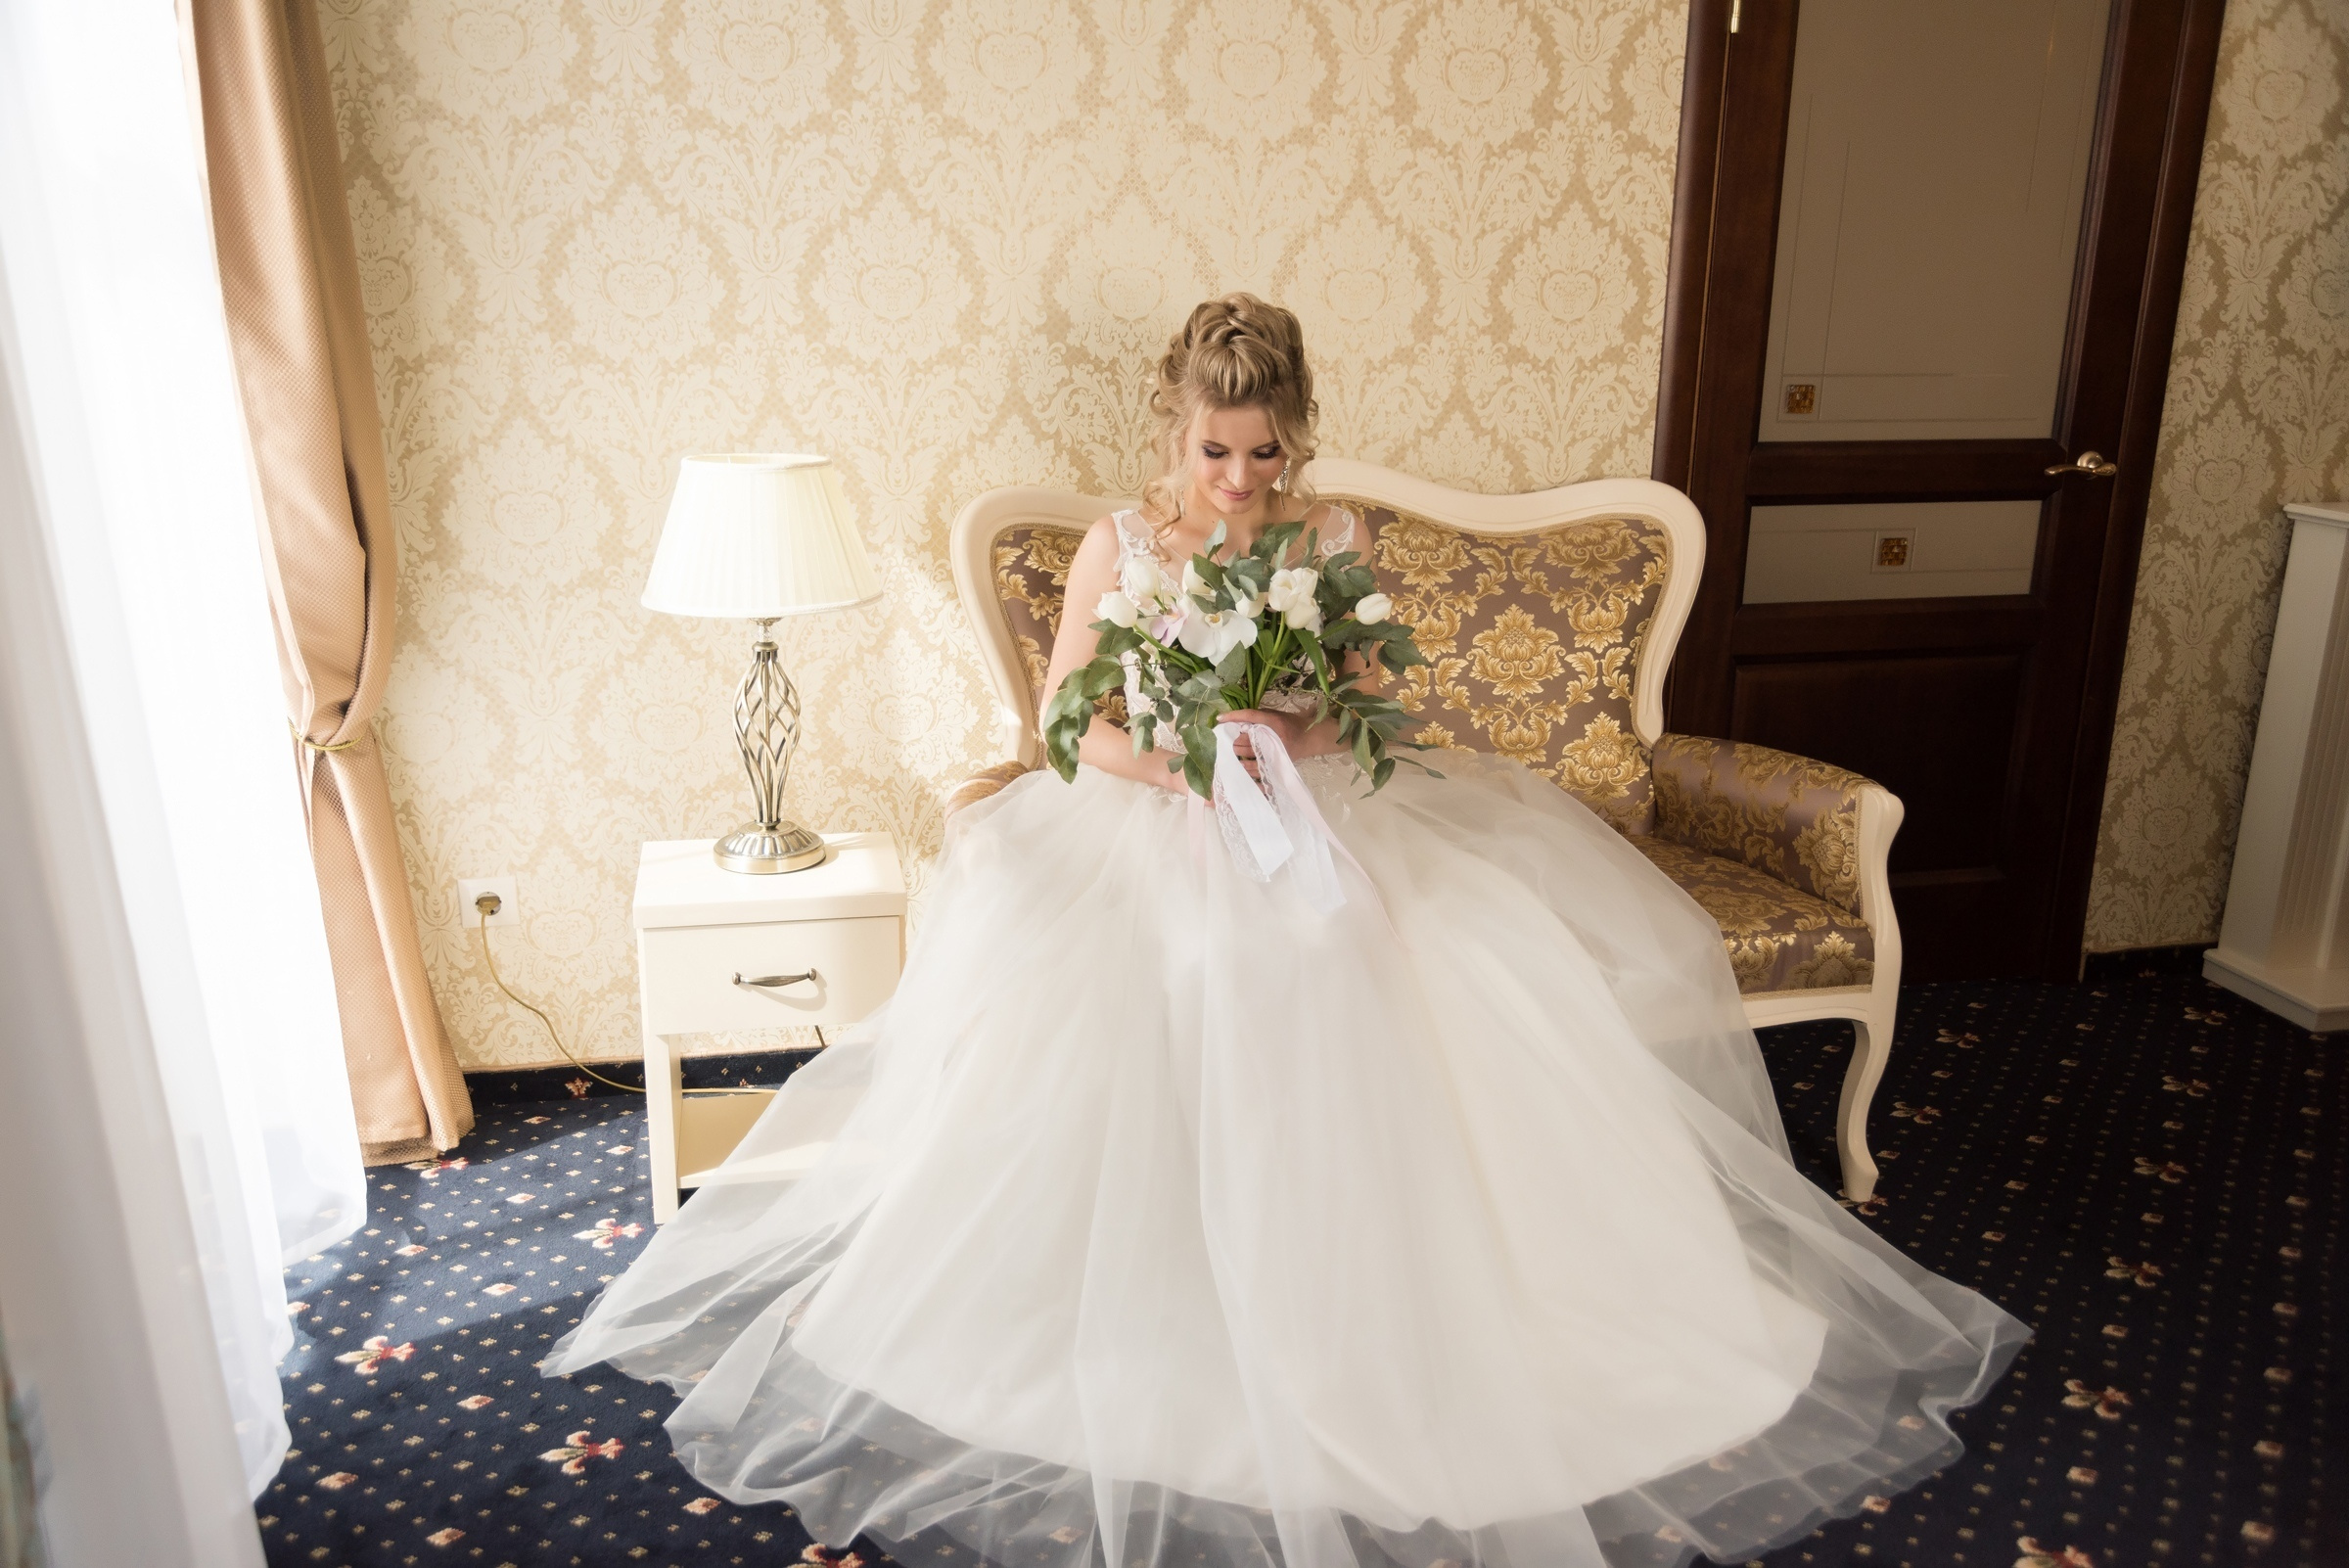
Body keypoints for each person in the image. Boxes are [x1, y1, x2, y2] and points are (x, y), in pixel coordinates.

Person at [543, 294, 2026, 1568]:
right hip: (1145, 825)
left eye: (1264, 452)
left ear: (1295, 441)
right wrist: (1188, 756)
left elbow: (1373, 691)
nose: (1241, 482)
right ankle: (1170, 1295)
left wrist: (1288, 725)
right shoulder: (1122, 548)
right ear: (1168, 437)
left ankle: (1388, 1299)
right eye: (1214, 450)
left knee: (1377, 950)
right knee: (1192, 966)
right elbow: (1066, 726)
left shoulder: (1334, 534)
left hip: (1311, 810)